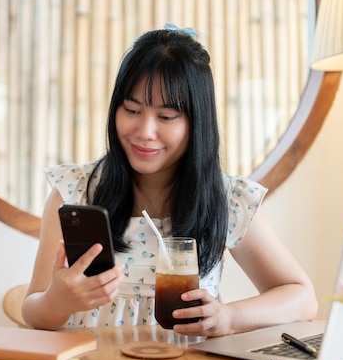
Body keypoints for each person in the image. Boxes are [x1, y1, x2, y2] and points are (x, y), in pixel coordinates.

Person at [21, 24, 318, 337]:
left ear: (196, 122)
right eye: (132, 109)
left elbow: (302, 297)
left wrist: (229, 317)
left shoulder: (226, 198)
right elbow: (33, 313)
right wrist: (57, 300)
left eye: (166, 117)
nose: (145, 131)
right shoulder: (75, 191)